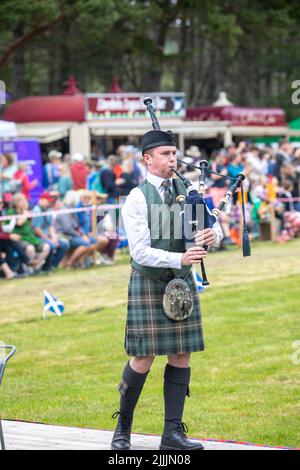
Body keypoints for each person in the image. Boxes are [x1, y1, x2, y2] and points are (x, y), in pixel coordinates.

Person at [111, 128, 223, 451]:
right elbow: (139, 251)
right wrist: (180, 256)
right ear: (148, 159)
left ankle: (172, 435)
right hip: (149, 281)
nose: (172, 159)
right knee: (143, 357)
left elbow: (210, 223)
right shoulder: (136, 197)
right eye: (165, 154)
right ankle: (123, 430)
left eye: (174, 154)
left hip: (182, 282)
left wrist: (212, 234)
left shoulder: (186, 189)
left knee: (181, 354)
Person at [32, 192, 70, 270]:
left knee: (64, 245)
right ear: (42, 200)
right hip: (37, 237)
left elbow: (50, 226)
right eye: (48, 201)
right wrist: (49, 239)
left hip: (47, 236)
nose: (50, 203)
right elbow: (36, 229)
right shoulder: (36, 210)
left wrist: (54, 238)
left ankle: (53, 265)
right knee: (51, 245)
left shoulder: (47, 210)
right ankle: (46, 267)